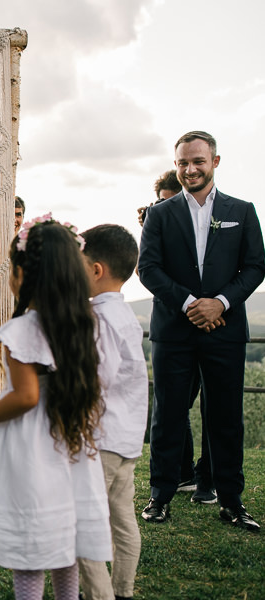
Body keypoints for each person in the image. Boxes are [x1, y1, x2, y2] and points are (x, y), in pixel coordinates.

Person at [0, 218, 111, 600]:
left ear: (23, 274)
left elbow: (26, 397)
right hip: (69, 444)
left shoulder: (21, 332)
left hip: (32, 451)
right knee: (63, 545)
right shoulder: (82, 324)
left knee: (30, 551)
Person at [138, 131, 265, 532]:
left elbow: (256, 267)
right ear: (176, 165)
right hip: (174, 330)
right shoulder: (159, 214)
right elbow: (148, 269)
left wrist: (221, 303)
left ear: (215, 161)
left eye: (197, 161)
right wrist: (190, 303)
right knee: (168, 414)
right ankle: (160, 497)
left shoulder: (241, 211)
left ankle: (231, 501)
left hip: (225, 330)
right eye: (182, 163)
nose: (190, 169)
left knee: (225, 416)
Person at [77, 225, 148, 600]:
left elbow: (96, 379)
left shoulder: (99, 319)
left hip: (100, 437)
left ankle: (100, 596)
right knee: (122, 520)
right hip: (127, 438)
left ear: (96, 270)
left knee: (82, 526)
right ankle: (123, 591)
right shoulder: (125, 316)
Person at [140, 169, 215, 501]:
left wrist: (209, 308)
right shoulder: (157, 224)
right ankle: (182, 475)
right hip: (172, 325)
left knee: (213, 406)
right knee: (173, 405)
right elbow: (150, 268)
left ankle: (207, 478)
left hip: (213, 323)